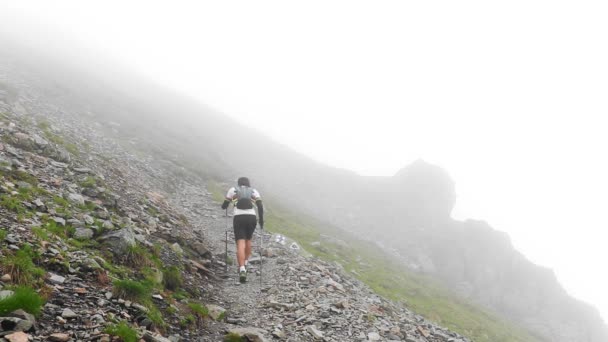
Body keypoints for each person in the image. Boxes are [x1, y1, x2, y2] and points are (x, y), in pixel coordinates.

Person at [221, 177, 264, 283]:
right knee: (248, 240)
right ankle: (245, 263)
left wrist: (226, 205)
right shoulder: (254, 191)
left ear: (239, 183)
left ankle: (242, 269)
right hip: (251, 217)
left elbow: (224, 205)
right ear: (248, 183)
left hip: (239, 217)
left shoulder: (233, 190)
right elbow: (260, 206)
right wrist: (261, 220)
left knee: (240, 242)